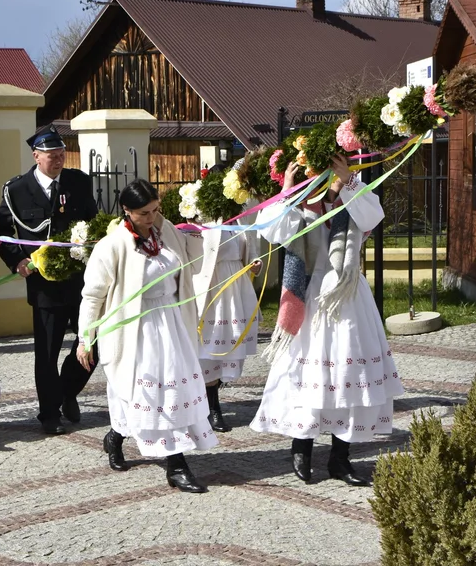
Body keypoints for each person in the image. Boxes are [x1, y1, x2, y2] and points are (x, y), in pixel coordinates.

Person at [252, 154, 402, 486]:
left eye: (328, 175)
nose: (325, 182)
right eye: (317, 176)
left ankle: (340, 457)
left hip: (346, 296)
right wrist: (288, 193)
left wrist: (348, 182)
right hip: (307, 298)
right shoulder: (298, 210)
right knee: (308, 374)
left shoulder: (350, 201)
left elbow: (373, 214)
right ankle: (301, 448)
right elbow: (271, 229)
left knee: (348, 373)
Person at [77, 179, 216, 493]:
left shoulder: (166, 233)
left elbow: (194, 258)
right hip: (136, 329)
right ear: (127, 210)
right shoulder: (111, 246)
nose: (151, 217)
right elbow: (92, 296)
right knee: (149, 394)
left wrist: (202, 230)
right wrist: (86, 337)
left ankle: (141, 447)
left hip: (172, 322)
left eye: (155, 210)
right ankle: (170, 461)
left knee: (173, 392)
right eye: (143, 213)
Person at [0, 125, 97, 435]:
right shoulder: (17, 189)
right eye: (52, 155)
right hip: (44, 285)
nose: (59, 159)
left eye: (62, 154)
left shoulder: (79, 182)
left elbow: (92, 222)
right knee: (47, 352)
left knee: (92, 342)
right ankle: (49, 413)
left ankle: (67, 392)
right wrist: (17, 261)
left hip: (79, 280)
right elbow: (0, 231)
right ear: (37, 156)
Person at [185, 202, 262, 433]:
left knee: (229, 345)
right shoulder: (201, 221)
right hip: (213, 287)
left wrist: (255, 264)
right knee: (209, 348)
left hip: (236, 286)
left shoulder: (241, 220)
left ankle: (212, 402)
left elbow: (252, 251)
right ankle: (211, 408)